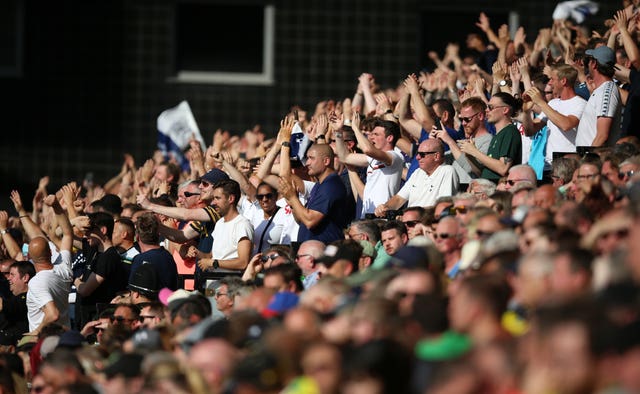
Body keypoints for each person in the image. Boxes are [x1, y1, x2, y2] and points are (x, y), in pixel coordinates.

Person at [334, 113, 404, 218]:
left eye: (376, 135)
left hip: (382, 218)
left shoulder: (395, 157)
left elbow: (367, 150)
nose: (371, 138)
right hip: (367, 217)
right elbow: (344, 157)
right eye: (371, 134)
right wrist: (338, 132)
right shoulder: (371, 159)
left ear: (389, 138)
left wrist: (356, 129)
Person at [280, 144, 348, 243]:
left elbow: (310, 221)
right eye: (307, 158)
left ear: (326, 161)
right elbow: (301, 220)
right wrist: (292, 203)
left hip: (324, 251)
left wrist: (293, 197)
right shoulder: (319, 185)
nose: (307, 163)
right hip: (310, 249)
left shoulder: (331, 185)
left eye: (311, 158)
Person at [26, 192, 73, 335]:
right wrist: (56, 205)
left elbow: (53, 315)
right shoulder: (64, 268)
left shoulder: (36, 282)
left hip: (44, 342)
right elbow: (68, 233)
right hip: (64, 337)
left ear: (29, 258)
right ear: (52, 253)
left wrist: (35, 332)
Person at [374, 138, 458, 217]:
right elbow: (399, 199)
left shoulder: (447, 171)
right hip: (410, 220)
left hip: (429, 223)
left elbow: (443, 206)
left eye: (422, 154)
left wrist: (410, 214)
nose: (417, 158)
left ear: (436, 156)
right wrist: (385, 207)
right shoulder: (418, 172)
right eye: (418, 154)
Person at [75, 212, 129, 328]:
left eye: (89, 230)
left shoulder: (109, 257)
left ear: (103, 230)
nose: (86, 235)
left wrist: (75, 280)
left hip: (97, 321)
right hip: (84, 316)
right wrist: (75, 221)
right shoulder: (93, 249)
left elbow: (85, 290)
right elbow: (58, 233)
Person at [524, 64, 586, 166]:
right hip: (549, 164)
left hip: (569, 163)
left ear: (563, 81)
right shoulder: (553, 103)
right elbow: (530, 131)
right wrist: (526, 113)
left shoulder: (580, 103)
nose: (550, 82)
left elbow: (566, 125)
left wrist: (540, 102)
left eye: (552, 79)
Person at [461, 92, 522, 182]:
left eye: (491, 107)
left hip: (498, 190)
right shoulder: (497, 136)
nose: (486, 110)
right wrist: (469, 155)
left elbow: (503, 168)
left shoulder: (510, 132)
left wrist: (475, 152)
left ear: (505, 110)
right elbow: (481, 173)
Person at [198, 180, 254, 273]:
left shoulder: (242, 225)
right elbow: (212, 257)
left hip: (231, 285)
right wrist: (196, 253)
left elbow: (243, 263)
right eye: (213, 198)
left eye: (217, 198)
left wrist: (213, 263)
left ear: (231, 199)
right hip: (214, 284)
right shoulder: (219, 223)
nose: (213, 203)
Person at [435, 97, 494, 184]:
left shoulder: (488, 140)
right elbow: (439, 164)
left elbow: (473, 171)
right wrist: (435, 143)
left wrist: (450, 142)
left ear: (480, 116)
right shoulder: (462, 142)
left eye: (467, 119)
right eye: (461, 119)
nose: (463, 123)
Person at [576, 46, 623, 147]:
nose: (587, 64)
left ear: (594, 64)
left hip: (594, 160)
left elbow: (602, 136)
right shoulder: (602, 90)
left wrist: (588, 158)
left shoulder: (607, 92)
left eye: (589, 60)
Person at [129, 212, 179, 291]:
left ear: (137, 237)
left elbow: (135, 292)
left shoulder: (140, 259)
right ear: (158, 234)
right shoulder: (168, 256)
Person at [0, 261, 34, 345]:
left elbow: (6, 305)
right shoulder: (11, 296)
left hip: (18, 347)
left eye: (12, 275)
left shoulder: (29, 298)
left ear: (25, 278)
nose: (8, 278)